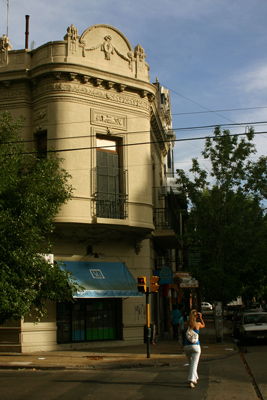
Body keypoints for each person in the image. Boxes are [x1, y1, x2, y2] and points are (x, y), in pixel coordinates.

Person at [184, 309, 205, 388]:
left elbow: (183, 332)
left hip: (187, 346)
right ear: (196, 316)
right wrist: (201, 318)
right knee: (194, 364)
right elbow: (204, 325)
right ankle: (191, 380)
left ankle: (195, 377)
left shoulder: (186, 324)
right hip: (196, 346)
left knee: (191, 363)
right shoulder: (198, 324)